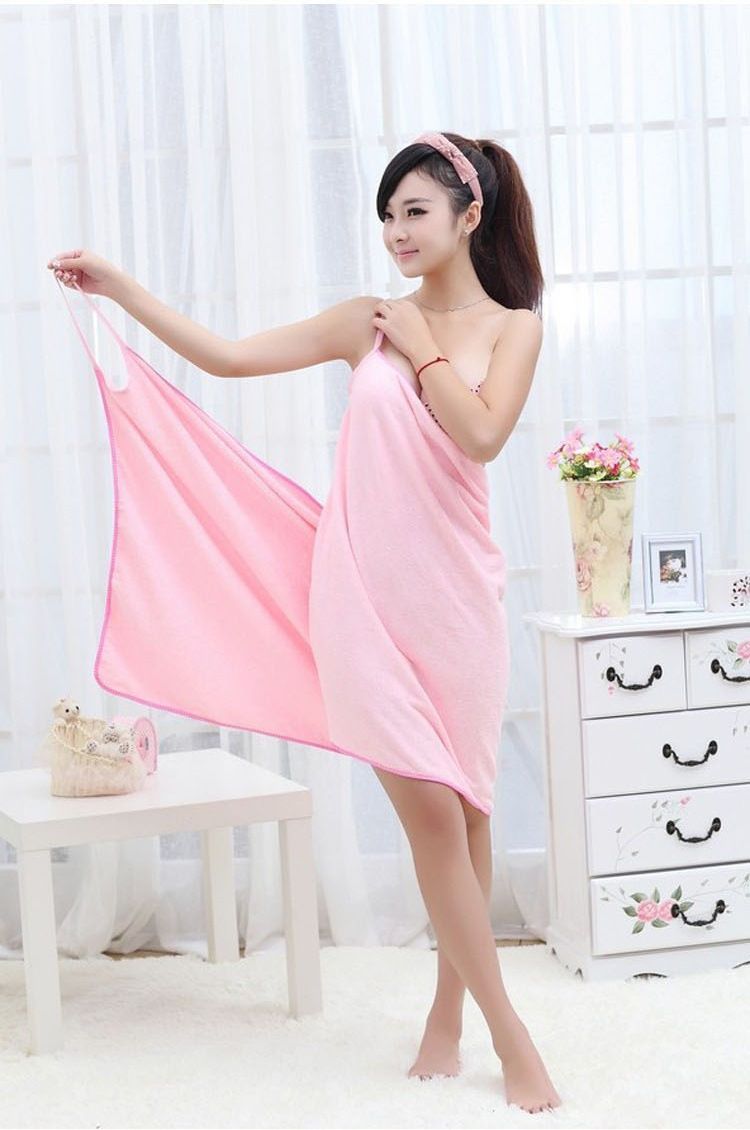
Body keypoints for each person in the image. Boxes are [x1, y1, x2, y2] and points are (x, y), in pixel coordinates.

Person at [47, 131, 560, 1114]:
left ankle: (447, 1017)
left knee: (467, 808)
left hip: (460, 599)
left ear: (469, 215)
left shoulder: (513, 327)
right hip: (361, 597)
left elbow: (484, 435)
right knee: (429, 812)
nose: (396, 231)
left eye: (415, 211)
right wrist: (123, 289)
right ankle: (513, 1034)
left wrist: (422, 353)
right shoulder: (366, 321)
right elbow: (231, 357)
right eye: (388, 214)